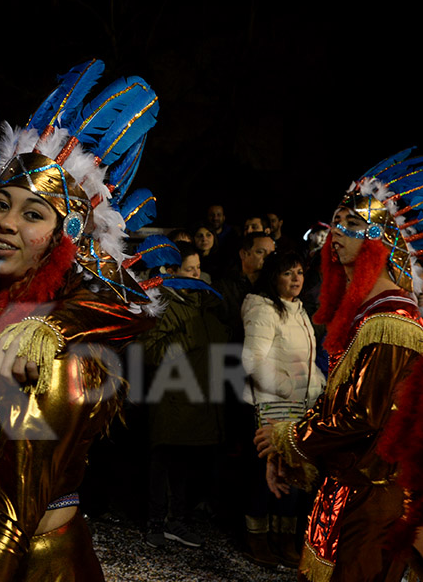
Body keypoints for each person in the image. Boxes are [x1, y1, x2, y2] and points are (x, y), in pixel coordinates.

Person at [0, 63, 171, 580]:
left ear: (63, 238)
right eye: (0, 204)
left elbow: (13, 521)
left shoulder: (53, 349)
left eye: (33, 214)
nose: (5, 223)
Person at [255, 149, 423, 582]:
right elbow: (342, 402)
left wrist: (287, 437)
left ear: (382, 240)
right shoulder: (367, 315)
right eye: (336, 223)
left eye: (353, 223)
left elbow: (358, 414)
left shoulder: (392, 319)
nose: (336, 234)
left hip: (372, 497)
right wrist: (293, 448)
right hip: (346, 488)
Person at [241, 251, 324, 567]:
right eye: (288, 273)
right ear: (274, 276)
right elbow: (253, 362)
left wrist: (318, 389)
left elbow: (307, 361)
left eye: (300, 272)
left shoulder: (300, 310)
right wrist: (288, 387)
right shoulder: (263, 310)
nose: (296, 279)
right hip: (271, 406)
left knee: (292, 474)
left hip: (299, 407)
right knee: (265, 477)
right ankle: (257, 538)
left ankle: (283, 538)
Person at [143, 242, 228, 549]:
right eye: (189, 269)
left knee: (184, 464)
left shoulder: (201, 302)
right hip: (170, 399)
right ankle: (155, 521)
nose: (196, 274)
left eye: (197, 269)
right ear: (173, 271)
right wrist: (187, 338)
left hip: (195, 399)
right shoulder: (163, 303)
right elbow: (148, 351)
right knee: (162, 462)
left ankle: (177, 521)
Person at [214, 232, 276, 342]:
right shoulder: (223, 287)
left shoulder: (276, 286)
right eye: (260, 252)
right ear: (243, 254)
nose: (267, 258)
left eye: (272, 254)